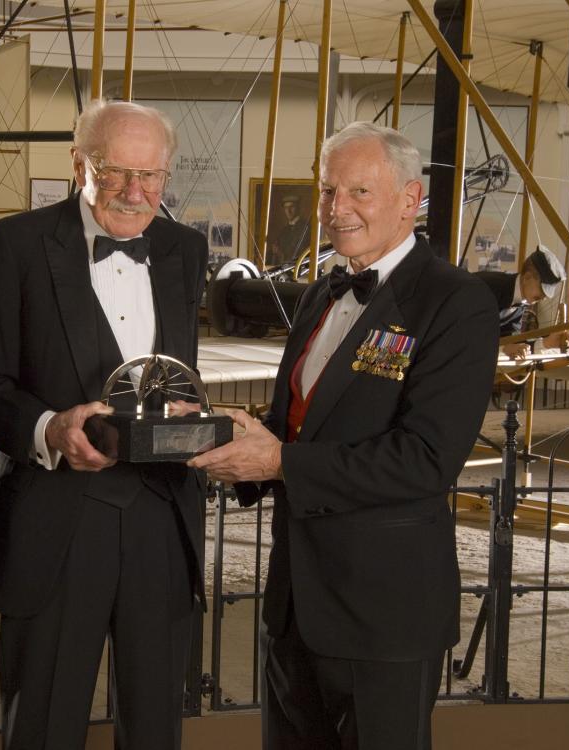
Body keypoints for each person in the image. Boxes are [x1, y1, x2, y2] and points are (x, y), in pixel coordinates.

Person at [190, 121, 498, 750]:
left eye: (359, 191)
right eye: (329, 191)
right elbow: (304, 422)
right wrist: (242, 437)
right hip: (295, 606)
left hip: (384, 615)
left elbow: (426, 460)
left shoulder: (454, 302)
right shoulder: (321, 295)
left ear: (411, 200)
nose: (336, 209)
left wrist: (279, 462)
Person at [0, 99, 208, 750]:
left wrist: (190, 415)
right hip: (57, 519)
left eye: (151, 176)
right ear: (79, 164)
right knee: (44, 725)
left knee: (157, 724)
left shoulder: (186, 250)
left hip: (162, 519)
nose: (136, 193)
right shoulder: (16, 245)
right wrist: (48, 428)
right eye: (115, 172)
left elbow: (174, 370)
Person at [475, 246, 569, 359]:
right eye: (543, 289)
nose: (544, 297)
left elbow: (512, 342)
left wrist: (547, 343)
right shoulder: (489, 287)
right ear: (527, 277)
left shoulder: (520, 301)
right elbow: (469, 335)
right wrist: (504, 349)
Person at [269, 194, 311, 266]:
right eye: (286, 208)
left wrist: (280, 253)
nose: (288, 211)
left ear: (298, 208)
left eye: (292, 207)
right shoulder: (284, 230)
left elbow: (304, 251)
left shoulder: (306, 227)